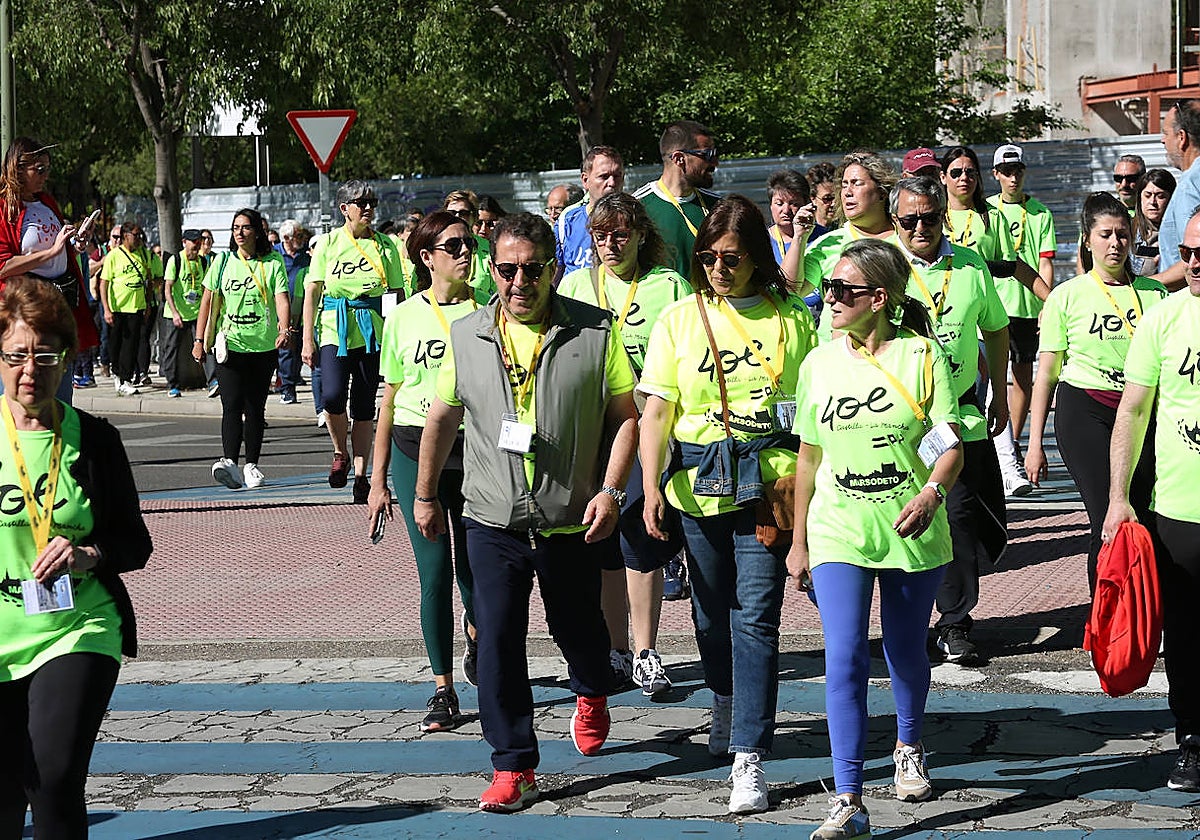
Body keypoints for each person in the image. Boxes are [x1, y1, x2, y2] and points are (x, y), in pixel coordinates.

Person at [414, 212, 638, 813]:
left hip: (571, 518)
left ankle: (592, 689)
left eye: (532, 269)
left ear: (553, 269)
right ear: (493, 270)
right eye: (508, 270)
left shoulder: (595, 331)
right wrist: (426, 493)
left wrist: (611, 491)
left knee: (581, 633)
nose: (520, 282)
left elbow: (626, 419)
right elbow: (441, 418)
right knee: (497, 642)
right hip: (492, 521)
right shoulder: (466, 335)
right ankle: (513, 765)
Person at [639, 195, 817, 814]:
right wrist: (651, 486)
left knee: (757, 617)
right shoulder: (678, 320)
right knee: (712, 615)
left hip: (770, 484)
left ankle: (750, 755)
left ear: (757, 258)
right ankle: (723, 693)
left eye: (733, 258)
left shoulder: (791, 317)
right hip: (699, 484)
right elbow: (656, 412)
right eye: (709, 257)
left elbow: (812, 412)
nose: (719, 268)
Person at [787, 239, 962, 840]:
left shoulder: (921, 357)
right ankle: (848, 796)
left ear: (879, 299)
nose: (830, 298)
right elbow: (808, 458)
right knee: (843, 657)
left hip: (910, 523)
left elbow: (950, 447)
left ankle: (909, 746)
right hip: (838, 528)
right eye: (828, 288)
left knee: (905, 650)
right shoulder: (818, 362)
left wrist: (932, 492)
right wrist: (799, 540)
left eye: (844, 290)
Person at [0, 277, 152, 837]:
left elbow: (135, 543)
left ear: (67, 358)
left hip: (76, 625)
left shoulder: (95, 440)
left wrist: (87, 554)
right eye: (16, 356)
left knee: (53, 777)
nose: (29, 371)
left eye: (44, 356)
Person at [558, 191, 692, 696]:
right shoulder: (574, 284)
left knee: (640, 535)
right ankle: (615, 649)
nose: (610, 244)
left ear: (641, 235)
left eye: (620, 234)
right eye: (600, 235)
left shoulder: (666, 285)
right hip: (586, 430)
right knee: (598, 539)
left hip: (644, 426)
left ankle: (645, 650)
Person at [890, 176, 1011, 666]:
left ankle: (956, 621)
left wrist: (999, 391)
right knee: (900, 517)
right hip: (897, 417)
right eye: (909, 219)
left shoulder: (969, 265)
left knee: (957, 517)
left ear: (943, 216)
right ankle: (907, 619)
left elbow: (997, 329)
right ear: (895, 221)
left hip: (956, 413)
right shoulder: (883, 267)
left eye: (930, 217)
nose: (920, 227)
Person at [368, 211, 480, 733]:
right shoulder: (403, 317)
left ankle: (479, 634)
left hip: (476, 449)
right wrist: (376, 480)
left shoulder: (492, 309)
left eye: (469, 243)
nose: (465, 253)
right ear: (426, 256)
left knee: (477, 569)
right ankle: (442, 688)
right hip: (417, 451)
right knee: (434, 571)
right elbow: (388, 402)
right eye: (453, 245)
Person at [1103, 207, 1200, 794]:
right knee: (1187, 635)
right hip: (1179, 512)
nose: (1192, 263)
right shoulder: (1162, 319)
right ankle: (1192, 739)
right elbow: (1133, 412)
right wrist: (1118, 497)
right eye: (1187, 251)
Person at [1025, 192, 1166, 592]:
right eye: (1105, 234)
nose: (1116, 243)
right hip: (1085, 408)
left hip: (1140, 412)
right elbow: (1047, 373)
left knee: (1143, 515)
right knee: (1106, 514)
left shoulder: (1155, 295)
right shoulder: (1066, 296)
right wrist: (1034, 444)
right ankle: (1104, 619)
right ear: (1087, 240)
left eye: (1123, 234)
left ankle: (1143, 615)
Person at [303, 181, 407, 504]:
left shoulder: (386, 246)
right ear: (344, 208)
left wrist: (396, 333)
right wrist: (307, 339)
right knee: (332, 397)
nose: (367, 208)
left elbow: (396, 293)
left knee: (363, 406)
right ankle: (340, 451)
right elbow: (312, 292)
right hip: (336, 329)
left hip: (373, 332)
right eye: (359, 203)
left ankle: (361, 475)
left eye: (370, 203)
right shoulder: (328, 244)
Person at [192, 208, 290, 490]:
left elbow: (281, 298)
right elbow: (207, 303)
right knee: (231, 404)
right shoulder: (222, 261)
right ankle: (230, 463)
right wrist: (199, 341)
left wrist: (284, 329)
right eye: (235, 227)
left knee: (255, 407)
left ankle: (251, 465)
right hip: (229, 345)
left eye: (245, 227)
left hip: (262, 346)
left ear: (257, 231)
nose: (239, 232)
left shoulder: (272, 262)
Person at [0, 137, 100, 404]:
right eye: (39, 169)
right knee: (21, 397)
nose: (45, 175)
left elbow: (59, 251)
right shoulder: (4, 208)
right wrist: (50, 252)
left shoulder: (46, 202)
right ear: (18, 169)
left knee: (61, 393)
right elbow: (2, 266)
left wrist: (76, 244)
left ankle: (61, 439)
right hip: (24, 310)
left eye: (48, 168)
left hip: (59, 305)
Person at [987, 143, 1056, 496]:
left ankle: (1010, 444)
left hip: (1028, 306)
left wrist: (1047, 300)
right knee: (991, 379)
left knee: (1023, 379)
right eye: (1007, 171)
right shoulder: (986, 210)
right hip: (995, 306)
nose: (1013, 177)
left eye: (1018, 171)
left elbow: (1044, 261)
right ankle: (1001, 451)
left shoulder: (1041, 213)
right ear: (996, 174)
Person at [800, 150, 898, 341]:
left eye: (856, 183)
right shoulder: (827, 244)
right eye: (844, 185)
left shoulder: (907, 241)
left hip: (892, 356)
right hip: (837, 362)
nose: (847, 192)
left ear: (881, 192)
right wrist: (798, 239)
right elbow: (792, 291)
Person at [634, 120, 720, 276]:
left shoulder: (718, 207)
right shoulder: (638, 206)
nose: (715, 163)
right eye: (708, 155)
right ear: (679, 159)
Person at [98, 222, 159, 397]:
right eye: (135, 235)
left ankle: (126, 378)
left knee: (132, 345)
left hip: (137, 307)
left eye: (140, 235)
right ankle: (118, 374)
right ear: (125, 236)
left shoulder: (143, 255)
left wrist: (147, 304)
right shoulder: (113, 256)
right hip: (118, 308)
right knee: (117, 344)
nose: (139, 239)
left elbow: (148, 281)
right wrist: (107, 309)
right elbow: (104, 284)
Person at [555, 146, 626, 276]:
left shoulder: (633, 221)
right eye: (604, 176)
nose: (612, 183)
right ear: (585, 180)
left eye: (617, 176)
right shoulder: (567, 222)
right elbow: (555, 273)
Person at [160, 228, 213, 397]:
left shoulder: (203, 262)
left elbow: (206, 288)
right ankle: (172, 384)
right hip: (176, 313)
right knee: (171, 348)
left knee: (204, 344)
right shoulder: (176, 260)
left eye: (199, 242)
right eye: (194, 242)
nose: (197, 245)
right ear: (184, 242)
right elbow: (167, 289)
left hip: (196, 312)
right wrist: (175, 313)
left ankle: (212, 380)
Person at [764, 170, 819, 319]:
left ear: (807, 205)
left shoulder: (822, 238)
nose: (786, 210)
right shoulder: (761, 242)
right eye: (779, 203)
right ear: (770, 205)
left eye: (794, 204)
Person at [274, 219, 311, 405]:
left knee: (297, 350)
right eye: (298, 235)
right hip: (279, 309)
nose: (302, 239)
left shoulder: (306, 256)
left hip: (302, 309)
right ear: (287, 237)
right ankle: (287, 388)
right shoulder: (274, 255)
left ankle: (292, 379)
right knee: (286, 350)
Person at [442, 190, 495, 303]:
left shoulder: (492, 248)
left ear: (474, 217)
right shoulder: (434, 247)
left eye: (464, 213)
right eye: (451, 213)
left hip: (483, 314)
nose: (457, 217)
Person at [1130, 168, 1176, 277]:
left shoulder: (1182, 233)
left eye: (1160, 196)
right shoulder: (1128, 231)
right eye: (1147, 195)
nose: (1153, 202)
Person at [806, 162, 837, 234]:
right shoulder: (806, 231)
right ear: (813, 198)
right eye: (827, 199)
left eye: (838, 197)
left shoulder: (847, 228)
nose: (834, 203)